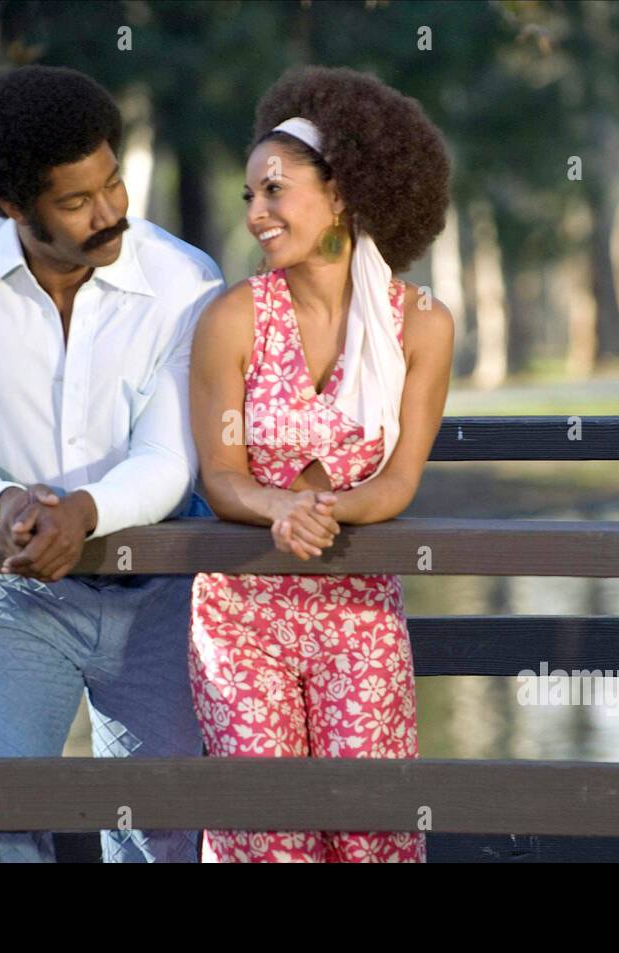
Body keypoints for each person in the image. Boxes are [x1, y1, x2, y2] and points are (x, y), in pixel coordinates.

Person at [0, 65, 223, 862]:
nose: (110, 213)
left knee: (167, 831)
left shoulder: (187, 282)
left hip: (162, 588)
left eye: (112, 182)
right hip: (19, 595)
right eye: (77, 202)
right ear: (14, 207)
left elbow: (168, 457)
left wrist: (81, 513)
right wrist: (8, 504)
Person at [188, 65, 454, 862]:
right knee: (262, 834)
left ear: (343, 193)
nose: (258, 214)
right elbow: (220, 473)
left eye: (275, 190)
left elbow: (401, 478)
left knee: (371, 828)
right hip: (242, 614)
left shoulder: (422, 327)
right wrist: (278, 508)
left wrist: (330, 511)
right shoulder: (232, 319)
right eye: (249, 198)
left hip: (359, 609)